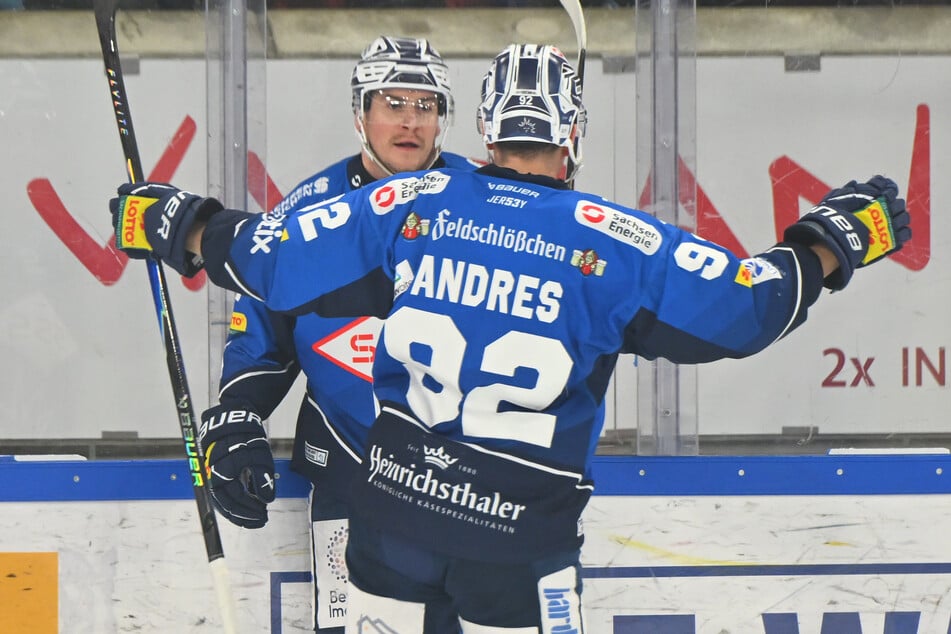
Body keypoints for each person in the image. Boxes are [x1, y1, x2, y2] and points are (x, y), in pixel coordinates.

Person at [109, 43, 910, 632]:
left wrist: (177, 221)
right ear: (575, 135)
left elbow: (266, 258)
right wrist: (831, 241)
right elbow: (749, 309)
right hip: (518, 544)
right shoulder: (615, 245)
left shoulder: (411, 205)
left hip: (393, 523)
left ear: (481, 130)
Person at [197, 35, 479, 633]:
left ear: (443, 119)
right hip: (349, 483)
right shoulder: (307, 213)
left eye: (424, 105)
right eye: (391, 103)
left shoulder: (484, 205)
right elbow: (264, 342)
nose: (409, 121)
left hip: (469, 487)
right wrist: (239, 417)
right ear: (361, 113)